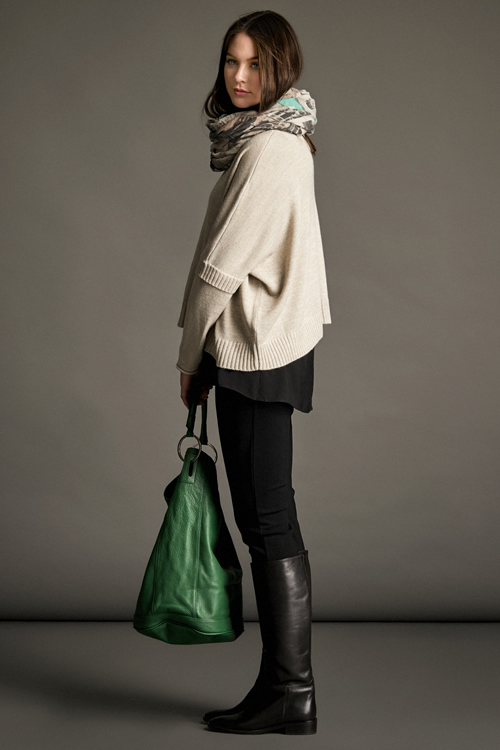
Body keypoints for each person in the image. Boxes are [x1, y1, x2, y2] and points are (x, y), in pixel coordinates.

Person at [175, 10, 331, 736]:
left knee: (268, 520)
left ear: (280, 69)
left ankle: (291, 690)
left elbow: (220, 269)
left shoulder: (270, 147)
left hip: (258, 352)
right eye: (230, 61)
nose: (239, 77)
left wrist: (189, 357)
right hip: (259, 347)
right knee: (263, 520)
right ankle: (281, 687)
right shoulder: (271, 139)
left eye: (254, 65)